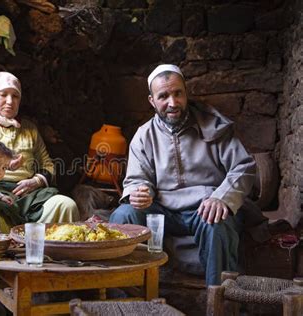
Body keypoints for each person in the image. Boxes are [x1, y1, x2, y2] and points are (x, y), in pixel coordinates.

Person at [109, 64, 266, 286]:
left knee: (217, 222)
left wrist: (221, 197)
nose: (172, 103)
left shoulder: (214, 127)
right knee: (123, 216)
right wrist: (139, 192)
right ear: (152, 101)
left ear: (186, 92)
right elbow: (137, 178)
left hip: (206, 208)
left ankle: (220, 299)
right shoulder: (144, 136)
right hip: (163, 211)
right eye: (163, 96)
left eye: (177, 93)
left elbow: (243, 167)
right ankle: (125, 295)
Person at [0, 71, 79, 233]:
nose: (9, 101)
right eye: (2, 95)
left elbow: (47, 165)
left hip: (31, 194)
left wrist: (37, 181)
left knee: (65, 205)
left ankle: (49, 252)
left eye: (15, 96)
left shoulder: (29, 129)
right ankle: (11, 251)